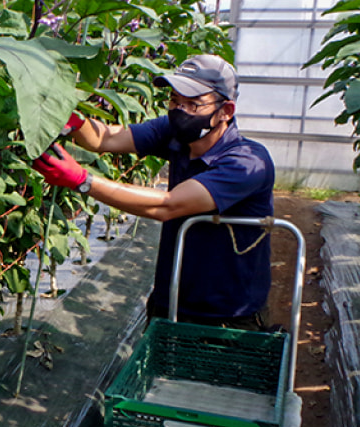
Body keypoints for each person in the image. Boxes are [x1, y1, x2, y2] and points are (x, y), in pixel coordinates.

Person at [32, 54, 275, 331]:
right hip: (169, 300)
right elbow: (105, 138)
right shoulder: (175, 132)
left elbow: (168, 206)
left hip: (228, 315)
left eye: (193, 104)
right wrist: (69, 116)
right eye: (174, 100)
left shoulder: (247, 163)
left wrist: (82, 181)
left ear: (226, 110)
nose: (180, 110)